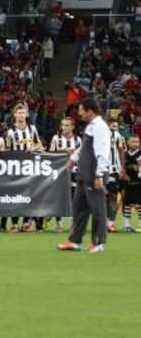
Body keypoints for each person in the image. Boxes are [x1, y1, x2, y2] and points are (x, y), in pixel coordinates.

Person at [58, 98, 112, 253]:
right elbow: (84, 147)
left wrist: (99, 175)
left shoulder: (100, 127)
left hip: (94, 174)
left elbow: (102, 153)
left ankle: (99, 242)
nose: (79, 113)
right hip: (83, 173)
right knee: (79, 208)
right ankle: (75, 241)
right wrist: (73, 159)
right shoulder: (91, 126)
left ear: (90, 111)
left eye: (81, 110)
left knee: (97, 208)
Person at [5, 103, 44, 232]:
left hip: (30, 168)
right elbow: (7, 149)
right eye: (19, 112)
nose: (21, 115)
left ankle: (27, 222)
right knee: (16, 196)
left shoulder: (32, 129)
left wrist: (33, 147)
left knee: (29, 195)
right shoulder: (11, 132)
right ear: (14, 115)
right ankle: (15, 223)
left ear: (26, 114)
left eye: (23, 112)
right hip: (16, 168)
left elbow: (41, 146)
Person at [48, 117, 81, 232]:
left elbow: (81, 156)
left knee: (74, 198)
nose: (64, 127)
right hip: (60, 171)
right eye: (63, 125)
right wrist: (64, 151)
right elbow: (50, 155)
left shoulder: (78, 140)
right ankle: (59, 223)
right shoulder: (56, 139)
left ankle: (73, 223)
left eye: (67, 125)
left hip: (75, 172)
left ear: (72, 127)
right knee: (59, 197)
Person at [106, 119, 126, 233]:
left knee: (114, 195)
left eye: (116, 126)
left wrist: (122, 168)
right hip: (103, 169)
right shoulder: (101, 134)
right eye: (113, 125)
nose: (115, 128)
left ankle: (110, 223)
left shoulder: (117, 135)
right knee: (106, 196)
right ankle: (105, 222)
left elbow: (121, 151)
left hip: (114, 169)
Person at [121, 135, 141, 232]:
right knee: (126, 204)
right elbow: (121, 167)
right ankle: (126, 225)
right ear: (128, 143)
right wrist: (123, 175)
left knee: (138, 204)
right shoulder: (124, 154)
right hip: (127, 183)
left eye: (137, 142)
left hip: (138, 182)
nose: (136, 144)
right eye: (133, 141)